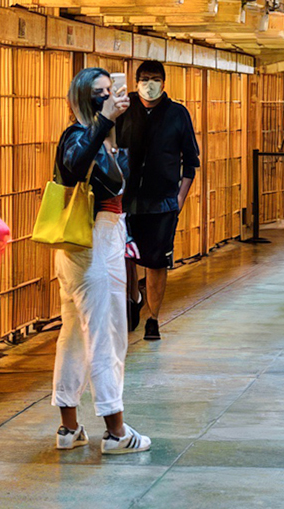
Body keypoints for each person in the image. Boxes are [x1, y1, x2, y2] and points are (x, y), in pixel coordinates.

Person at [51, 68, 152, 454]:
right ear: (80, 97)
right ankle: (116, 431)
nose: (107, 98)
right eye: (99, 93)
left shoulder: (102, 133)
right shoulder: (78, 134)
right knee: (106, 336)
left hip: (88, 243)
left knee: (75, 335)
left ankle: (68, 428)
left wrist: (114, 122)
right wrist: (106, 120)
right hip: (92, 242)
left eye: (110, 91)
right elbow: (76, 167)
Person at [117, 60, 200, 342]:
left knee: (156, 262)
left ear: (164, 83)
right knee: (125, 257)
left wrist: (179, 198)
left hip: (162, 201)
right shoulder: (123, 110)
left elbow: (190, 163)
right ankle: (133, 298)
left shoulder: (177, 114)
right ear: (135, 81)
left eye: (154, 79)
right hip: (125, 200)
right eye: (143, 78)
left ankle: (153, 318)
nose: (148, 84)